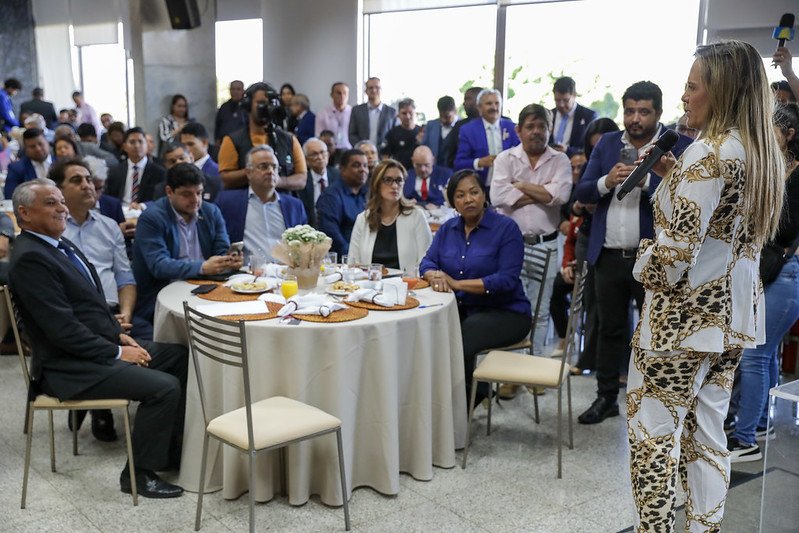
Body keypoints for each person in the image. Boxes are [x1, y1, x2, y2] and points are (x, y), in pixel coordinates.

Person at [626, 40, 785, 531]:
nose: (684, 96)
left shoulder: (709, 154)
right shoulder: (761, 155)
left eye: (693, 86)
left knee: (653, 439)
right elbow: (726, 232)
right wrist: (675, 181)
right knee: (708, 438)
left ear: (720, 92)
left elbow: (672, 263)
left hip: (680, 323)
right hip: (732, 320)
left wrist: (640, 261)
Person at [9, 178, 188, 498]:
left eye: (61, 201)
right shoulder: (30, 259)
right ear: (24, 212)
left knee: (179, 357)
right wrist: (117, 353)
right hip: (67, 367)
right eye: (51, 203)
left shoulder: (56, 243)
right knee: (164, 388)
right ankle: (138, 474)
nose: (62, 208)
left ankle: (166, 452)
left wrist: (119, 334)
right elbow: (62, 330)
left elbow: (89, 305)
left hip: (92, 347)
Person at [574, 81, 693, 425]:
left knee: (656, 334)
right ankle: (606, 397)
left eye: (643, 111)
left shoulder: (679, 145)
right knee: (608, 330)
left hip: (654, 259)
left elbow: (689, 200)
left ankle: (655, 404)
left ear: (657, 112)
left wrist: (650, 182)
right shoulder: (609, 143)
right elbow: (580, 190)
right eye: (629, 111)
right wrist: (606, 182)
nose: (635, 118)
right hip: (609, 255)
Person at [420, 169, 531, 405]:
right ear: (453, 202)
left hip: (506, 312)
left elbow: (506, 279)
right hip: (462, 309)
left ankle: (461, 409)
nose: (468, 199)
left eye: (474, 192)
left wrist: (457, 284)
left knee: (456, 341)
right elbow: (427, 261)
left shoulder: (506, 228)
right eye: (460, 195)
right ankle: (463, 396)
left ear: (484, 194)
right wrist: (433, 274)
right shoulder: (448, 229)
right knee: (428, 333)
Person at [728, 102, 799, 463]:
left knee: (755, 356)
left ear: (788, 134)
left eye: (771, 128)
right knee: (766, 353)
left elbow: (785, 228)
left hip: (785, 272)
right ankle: (758, 423)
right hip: (776, 271)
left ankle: (745, 441)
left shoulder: (795, 174)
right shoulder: (773, 169)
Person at [52, 158, 136, 441]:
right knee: (100, 337)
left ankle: (91, 390)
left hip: (113, 309)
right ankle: (100, 404)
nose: (87, 185)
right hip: (80, 316)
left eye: (89, 179)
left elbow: (125, 278)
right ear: (58, 191)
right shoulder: (54, 231)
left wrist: (125, 313)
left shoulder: (109, 225)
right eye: (76, 180)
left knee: (165, 347)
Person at [490, 104, 572, 382]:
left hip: (546, 245)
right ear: (519, 130)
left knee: (540, 309)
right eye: (531, 126)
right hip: (510, 248)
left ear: (550, 129)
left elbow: (560, 197)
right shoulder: (505, 158)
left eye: (542, 126)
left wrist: (521, 185)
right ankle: (511, 376)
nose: (536, 132)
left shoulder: (560, 160)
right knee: (510, 309)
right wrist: (543, 192)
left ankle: (533, 374)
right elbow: (498, 197)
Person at [131, 163, 239, 339]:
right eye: (187, 194)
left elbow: (221, 250)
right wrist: (203, 267)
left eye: (199, 193)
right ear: (169, 192)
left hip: (206, 288)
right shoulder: (152, 218)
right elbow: (159, 266)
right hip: (162, 293)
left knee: (231, 327)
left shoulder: (211, 212)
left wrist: (230, 260)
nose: (195, 200)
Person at [216, 145, 307, 261]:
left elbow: (305, 246)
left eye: (274, 167)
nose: (270, 171)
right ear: (248, 173)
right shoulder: (227, 202)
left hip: (286, 274)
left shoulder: (294, 206)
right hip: (246, 275)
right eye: (263, 167)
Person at [217, 82, 306, 191]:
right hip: (247, 203)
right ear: (248, 105)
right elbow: (225, 179)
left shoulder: (290, 140)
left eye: (270, 104)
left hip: (281, 203)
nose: (267, 108)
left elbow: (302, 179)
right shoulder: (232, 140)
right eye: (261, 103)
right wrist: (253, 171)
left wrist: (278, 181)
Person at [349, 159, 431, 270]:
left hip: (407, 284)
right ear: (377, 184)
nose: (395, 186)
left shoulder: (416, 216)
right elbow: (353, 262)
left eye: (399, 180)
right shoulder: (363, 219)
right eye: (388, 180)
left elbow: (427, 261)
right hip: (370, 284)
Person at [453, 88, 520, 190]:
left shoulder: (512, 128)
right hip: (481, 187)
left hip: (510, 186)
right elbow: (459, 163)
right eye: (489, 103)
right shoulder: (468, 130)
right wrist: (479, 162)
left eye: (497, 103)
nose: (494, 107)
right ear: (479, 108)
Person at [316, 149, 369, 256]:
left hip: (366, 253)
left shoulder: (368, 193)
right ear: (342, 169)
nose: (362, 170)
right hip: (344, 259)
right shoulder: (331, 196)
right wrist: (353, 255)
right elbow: (331, 234)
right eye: (356, 165)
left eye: (365, 165)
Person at [105, 127, 168, 208]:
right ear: (124, 146)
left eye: (140, 142)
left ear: (146, 145)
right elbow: (109, 196)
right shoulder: (115, 171)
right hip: (120, 211)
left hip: (146, 212)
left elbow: (162, 199)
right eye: (132, 142)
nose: (137, 146)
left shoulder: (159, 172)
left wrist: (142, 206)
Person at [549, 76, 598, 156]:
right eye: (557, 100)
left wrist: (568, 151)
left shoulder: (588, 116)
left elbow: (593, 148)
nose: (561, 105)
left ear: (574, 95)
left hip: (576, 164)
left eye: (565, 100)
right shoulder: (549, 115)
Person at [299, 137, 341, 228]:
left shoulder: (339, 176)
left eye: (322, 152)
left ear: (328, 155)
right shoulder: (302, 180)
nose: (320, 157)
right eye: (314, 154)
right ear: (306, 160)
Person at [348, 77, 397, 149]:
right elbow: (352, 134)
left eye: (377, 87)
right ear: (366, 91)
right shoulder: (356, 110)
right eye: (370, 88)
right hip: (362, 153)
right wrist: (361, 147)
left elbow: (394, 135)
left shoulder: (391, 112)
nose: (374, 90)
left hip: (384, 154)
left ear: (381, 90)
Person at [4, 127, 52, 198]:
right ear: (25, 149)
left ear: (47, 143)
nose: (38, 149)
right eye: (32, 147)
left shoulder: (61, 163)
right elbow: (10, 196)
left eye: (41, 144)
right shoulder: (16, 169)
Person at [447, 86, 483, 168]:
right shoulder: (459, 126)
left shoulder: (503, 124)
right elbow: (451, 158)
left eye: (467, 99)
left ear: (479, 100)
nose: (464, 103)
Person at [384, 98, 421, 171]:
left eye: (410, 113)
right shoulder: (392, 133)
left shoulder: (422, 132)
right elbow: (385, 156)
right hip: (398, 172)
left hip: (418, 172)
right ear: (398, 115)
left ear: (415, 113)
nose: (407, 116)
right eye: (404, 113)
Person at [422, 95, 459, 166]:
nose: (443, 120)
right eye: (441, 116)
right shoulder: (431, 125)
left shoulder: (463, 126)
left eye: (447, 117)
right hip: (435, 169)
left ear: (455, 111)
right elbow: (425, 146)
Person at [315, 82, 352, 150]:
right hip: (330, 150)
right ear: (332, 95)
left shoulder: (353, 112)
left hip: (349, 149)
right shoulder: (323, 113)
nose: (342, 96)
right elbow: (319, 135)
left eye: (345, 93)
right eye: (338, 93)